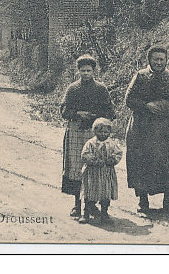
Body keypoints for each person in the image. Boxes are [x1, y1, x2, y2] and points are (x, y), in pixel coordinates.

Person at [124, 45, 169, 213]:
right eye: (156, 59)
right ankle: (143, 200)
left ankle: (168, 199)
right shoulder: (140, 76)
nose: (159, 62)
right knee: (142, 161)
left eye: (162, 59)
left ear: (166, 60)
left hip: (167, 130)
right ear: (150, 60)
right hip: (143, 128)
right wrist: (146, 105)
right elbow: (129, 99)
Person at [60, 54, 116, 218]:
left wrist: (97, 119)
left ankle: (91, 205)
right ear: (78, 71)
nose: (85, 74)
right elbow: (63, 110)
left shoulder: (101, 89)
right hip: (76, 131)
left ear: (94, 71)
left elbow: (110, 111)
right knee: (76, 168)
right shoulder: (72, 89)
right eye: (82, 71)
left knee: (94, 167)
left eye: (88, 71)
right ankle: (77, 205)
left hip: (94, 133)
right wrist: (77, 113)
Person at [78, 118, 122, 224]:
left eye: (106, 132)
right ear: (94, 131)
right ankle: (86, 214)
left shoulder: (112, 144)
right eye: (100, 131)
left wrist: (112, 160)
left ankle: (104, 214)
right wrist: (94, 160)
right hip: (92, 174)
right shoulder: (91, 143)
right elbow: (85, 155)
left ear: (109, 132)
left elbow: (118, 153)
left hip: (106, 173)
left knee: (105, 194)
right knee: (89, 194)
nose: (103, 134)